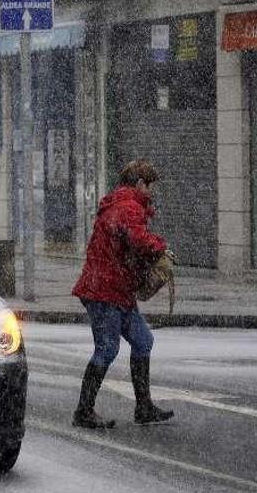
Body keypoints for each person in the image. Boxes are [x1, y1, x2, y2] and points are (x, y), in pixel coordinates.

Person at [71, 160, 175, 428]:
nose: (152, 192)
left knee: (143, 341)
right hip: (104, 290)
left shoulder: (124, 205)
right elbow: (138, 240)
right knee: (107, 349)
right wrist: (162, 248)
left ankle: (144, 408)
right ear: (140, 184)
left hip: (118, 289)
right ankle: (83, 412)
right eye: (150, 186)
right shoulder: (128, 207)